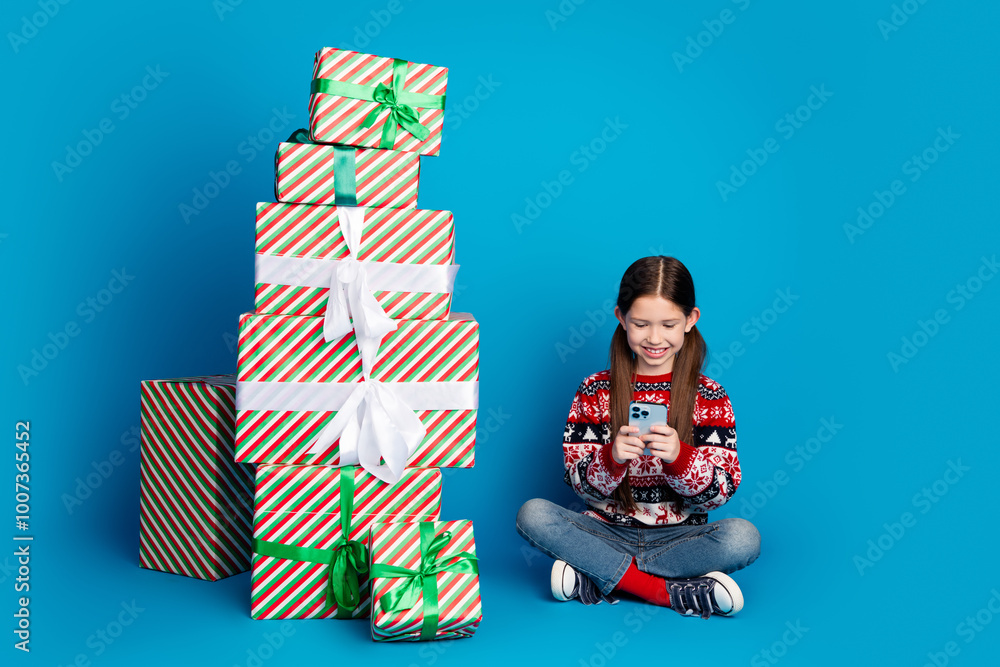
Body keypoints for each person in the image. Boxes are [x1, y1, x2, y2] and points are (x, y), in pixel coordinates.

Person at [516, 256, 761, 619]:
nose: (655, 338)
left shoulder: (710, 397)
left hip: (678, 540)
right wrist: (611, 459)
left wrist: (681, 458)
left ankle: (596, 575)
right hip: (605, 532)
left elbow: (721, 491)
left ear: (691, 320)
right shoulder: (595, 390)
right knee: (533, 513)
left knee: (743, 537)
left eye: (669, 324)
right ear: (621, 318)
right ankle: (665, 591)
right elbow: (579, 484)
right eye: (642, 324)